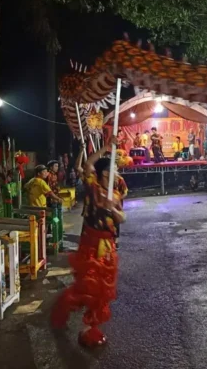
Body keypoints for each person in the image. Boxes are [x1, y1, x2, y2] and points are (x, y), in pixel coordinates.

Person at [51, 137, 126, 347]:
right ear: (101, 174)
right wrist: (105, 147)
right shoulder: (92, 187)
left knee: (104, 289)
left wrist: (112, 209)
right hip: (91, 243)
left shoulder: (115, 194)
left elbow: (122, 218)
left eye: (113, 173)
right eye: (108, 173)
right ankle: (74, 315)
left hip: (108, 246)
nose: (112, 176)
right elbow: (88, 164)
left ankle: (92, 326)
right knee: (89, 286)